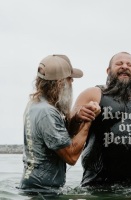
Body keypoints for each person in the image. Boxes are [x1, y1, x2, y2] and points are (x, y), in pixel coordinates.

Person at [68, 52, 131, 188]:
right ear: (108, 70)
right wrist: (77, 117)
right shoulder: (93, 94)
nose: (125, 66)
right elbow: (68, 129)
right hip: (97, 185)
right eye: (119, 64)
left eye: (130, 65)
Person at [18, 54, 100, 194]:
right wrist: (89, 120)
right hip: (43, 192)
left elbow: (60, 136)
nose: (72, 82)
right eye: (69, 78)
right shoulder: (47, 113)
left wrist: (77, 119)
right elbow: (71, 156)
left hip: (34, 187)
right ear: (59, 83)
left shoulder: (36, 105)